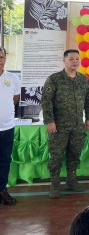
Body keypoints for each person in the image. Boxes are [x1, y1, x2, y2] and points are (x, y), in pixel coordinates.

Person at [41, 49, 89, 199]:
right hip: (58, 126)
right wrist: (50, 121)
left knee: (75, 154)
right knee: (56, 156)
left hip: (78, 125)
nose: (75, 61)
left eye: (77, 59)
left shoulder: (83, 80)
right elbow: (46, 102)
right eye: (71, 59)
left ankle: (71, 181)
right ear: (64, 60)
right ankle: (55, 184)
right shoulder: (54, 79)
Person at [0, 47, 20, 205]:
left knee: (5, 160)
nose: (0, 60)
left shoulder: (12, 78)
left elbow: (14, 98)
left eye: (1, 57)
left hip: (7, 128)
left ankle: (2, 189)